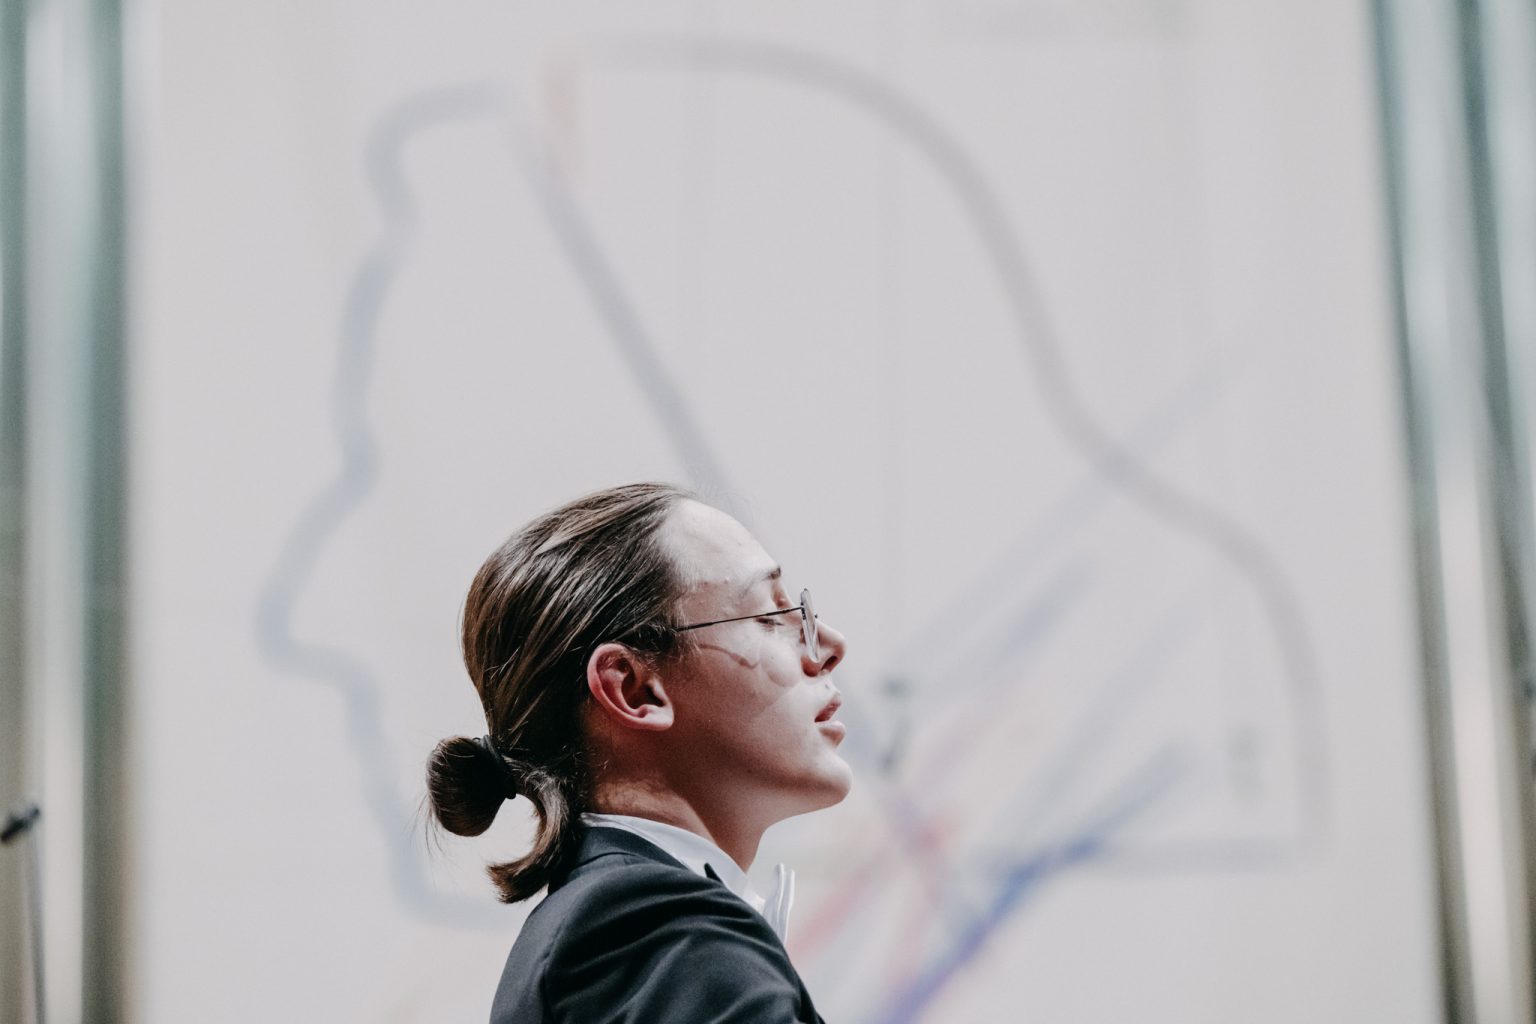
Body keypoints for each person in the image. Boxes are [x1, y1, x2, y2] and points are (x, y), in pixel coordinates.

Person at [424, 482, 850, 1023]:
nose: (829, 645)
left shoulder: (635, 925)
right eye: (768, 615)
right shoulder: (655, 928)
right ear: (634, 689)